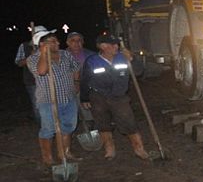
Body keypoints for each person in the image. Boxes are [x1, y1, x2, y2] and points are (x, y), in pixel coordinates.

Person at [80, 34, 149, 160]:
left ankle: (139, 149)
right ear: (102, 46)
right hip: (98, 96)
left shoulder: (123, 58)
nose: (116, 47)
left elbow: (139, 72)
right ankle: (109, 149)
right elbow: (85, 80)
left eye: (117, 44)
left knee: (129, 122)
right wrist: (84, 98)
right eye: (112, 44)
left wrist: (132, 59)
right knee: (103, 123)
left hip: (119, 96)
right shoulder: (92, 61)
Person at [27, 29, 81, 167]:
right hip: (48, 101)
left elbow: (75, 68)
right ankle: (48, 158)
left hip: (68, 98)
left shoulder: (65, 54)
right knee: (49, 129)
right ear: (42, 45)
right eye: (53, 41)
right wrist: (44, 54)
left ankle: (65, 153)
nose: (58, 43)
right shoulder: (33, 59)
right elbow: (42, 71)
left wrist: (76, 83)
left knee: (68, 126)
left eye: (56, 40)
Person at [15, 25, 51, 123]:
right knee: (38, 107)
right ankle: (43, 128)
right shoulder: (25, 46)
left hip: (49, 80)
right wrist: (31, 56)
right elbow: (19, 63)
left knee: (52, 105)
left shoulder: (50, 45)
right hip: (32, 81)